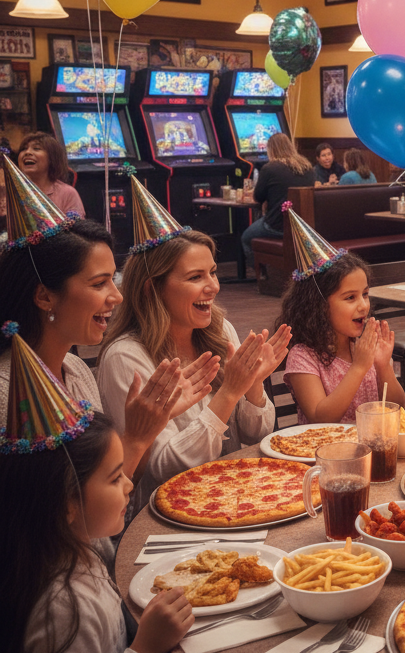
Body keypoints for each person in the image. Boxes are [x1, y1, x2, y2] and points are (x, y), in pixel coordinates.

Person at [0, 357, 261, 653]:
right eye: (114, 476)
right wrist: (146, 649)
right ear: (67, 502)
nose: (129, 484)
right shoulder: (62, 604)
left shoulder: (77, 547)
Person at [0, 162, 217, 488]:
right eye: (99, 283)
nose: (116, 297)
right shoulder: (6, 392)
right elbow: (53, 514)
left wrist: (141, 433)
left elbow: (113, 493)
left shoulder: (75, 371)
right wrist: (138, 435)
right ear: (45, 296)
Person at [98, 191, 287, 517]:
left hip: (234, 498)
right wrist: (227, 394)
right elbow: (164, 469)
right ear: (152, 288)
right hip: (165, 515)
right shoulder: (127, 358)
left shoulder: (218, 330)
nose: (213, 286)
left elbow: (259, 435)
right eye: (195, 277)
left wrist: (254, 386)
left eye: (212, 272)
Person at [277, 207, 404, 424]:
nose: (364, 306)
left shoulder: (364, 345)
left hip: (371, 447)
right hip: (323, 453)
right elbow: (320, 418)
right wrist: (358, 368)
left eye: (365, 294)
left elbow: (398, 408)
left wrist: (383, 367)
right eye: (350, 298)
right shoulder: (303, 356)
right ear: (318, 305)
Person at [240, 133, 315, 270]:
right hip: (305, 224)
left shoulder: (270, 168)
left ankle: (264, 276)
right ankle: (275, 273)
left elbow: (258, 197)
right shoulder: (307, 166)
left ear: (271, 149)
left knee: (246, 237)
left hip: (277, 225)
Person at [16, 131, 85, 217]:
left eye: (36, 148)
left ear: (52, 158)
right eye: (24, 149)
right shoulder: (11, 191)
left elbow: (77, 228)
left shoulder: (67, 193)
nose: (27, 152)